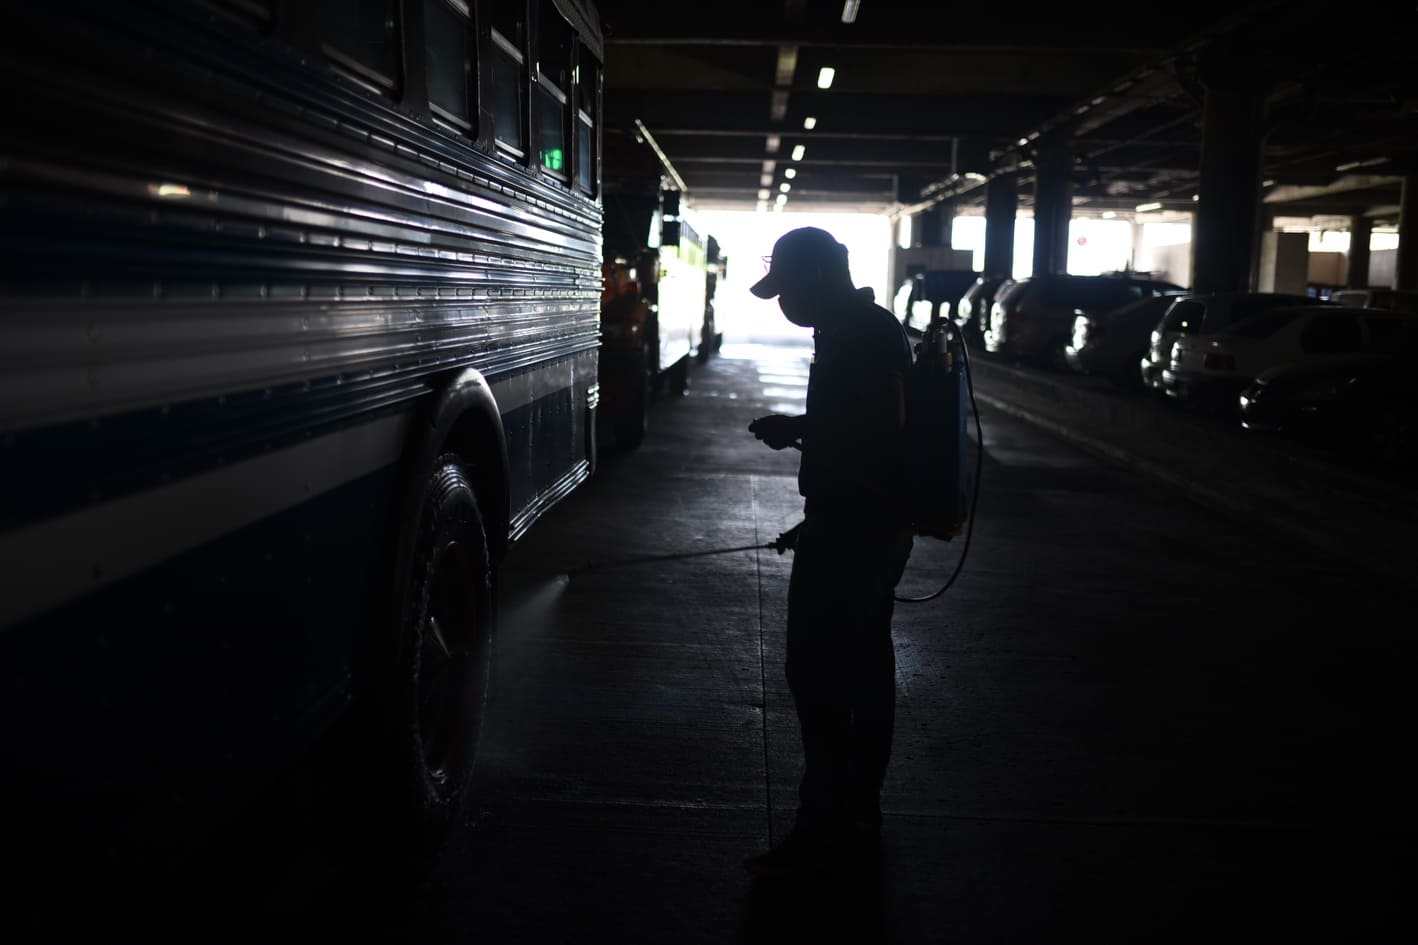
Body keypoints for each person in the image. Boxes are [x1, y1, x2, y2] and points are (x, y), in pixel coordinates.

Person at [744, 227, 915, 878]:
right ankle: (852, 820)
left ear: (822, 276)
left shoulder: (864, 333)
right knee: (860, 672)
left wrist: (803, 436)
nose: (785, 305)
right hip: (855, 524)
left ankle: (826, 828)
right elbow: (861, 426)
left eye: (788, 290)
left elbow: (878, 429)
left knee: (821, 678)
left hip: (857, 528)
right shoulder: (855, 328)